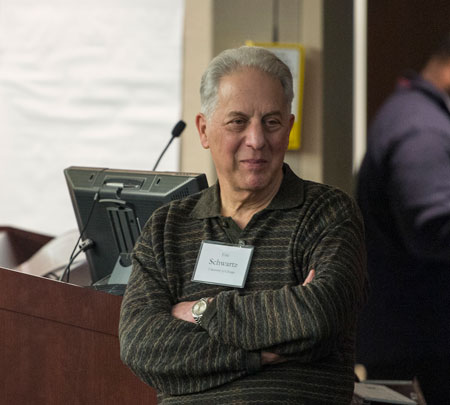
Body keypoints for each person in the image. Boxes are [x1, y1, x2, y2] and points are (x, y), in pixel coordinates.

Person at [119, 46, 367, 404]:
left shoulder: (329, 213)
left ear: (289, 127)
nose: (257, 140)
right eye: (238, 121)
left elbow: (318, 317)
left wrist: (201, 311)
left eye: (272, 122)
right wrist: (258, 354)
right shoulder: (167, 227)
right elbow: (142, 344)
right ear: (204, 130)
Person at [356, 34, 450, 404]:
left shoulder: (418, 114)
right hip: (419, 345)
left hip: (414, 339)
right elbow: (433, 228)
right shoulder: (422, 129)